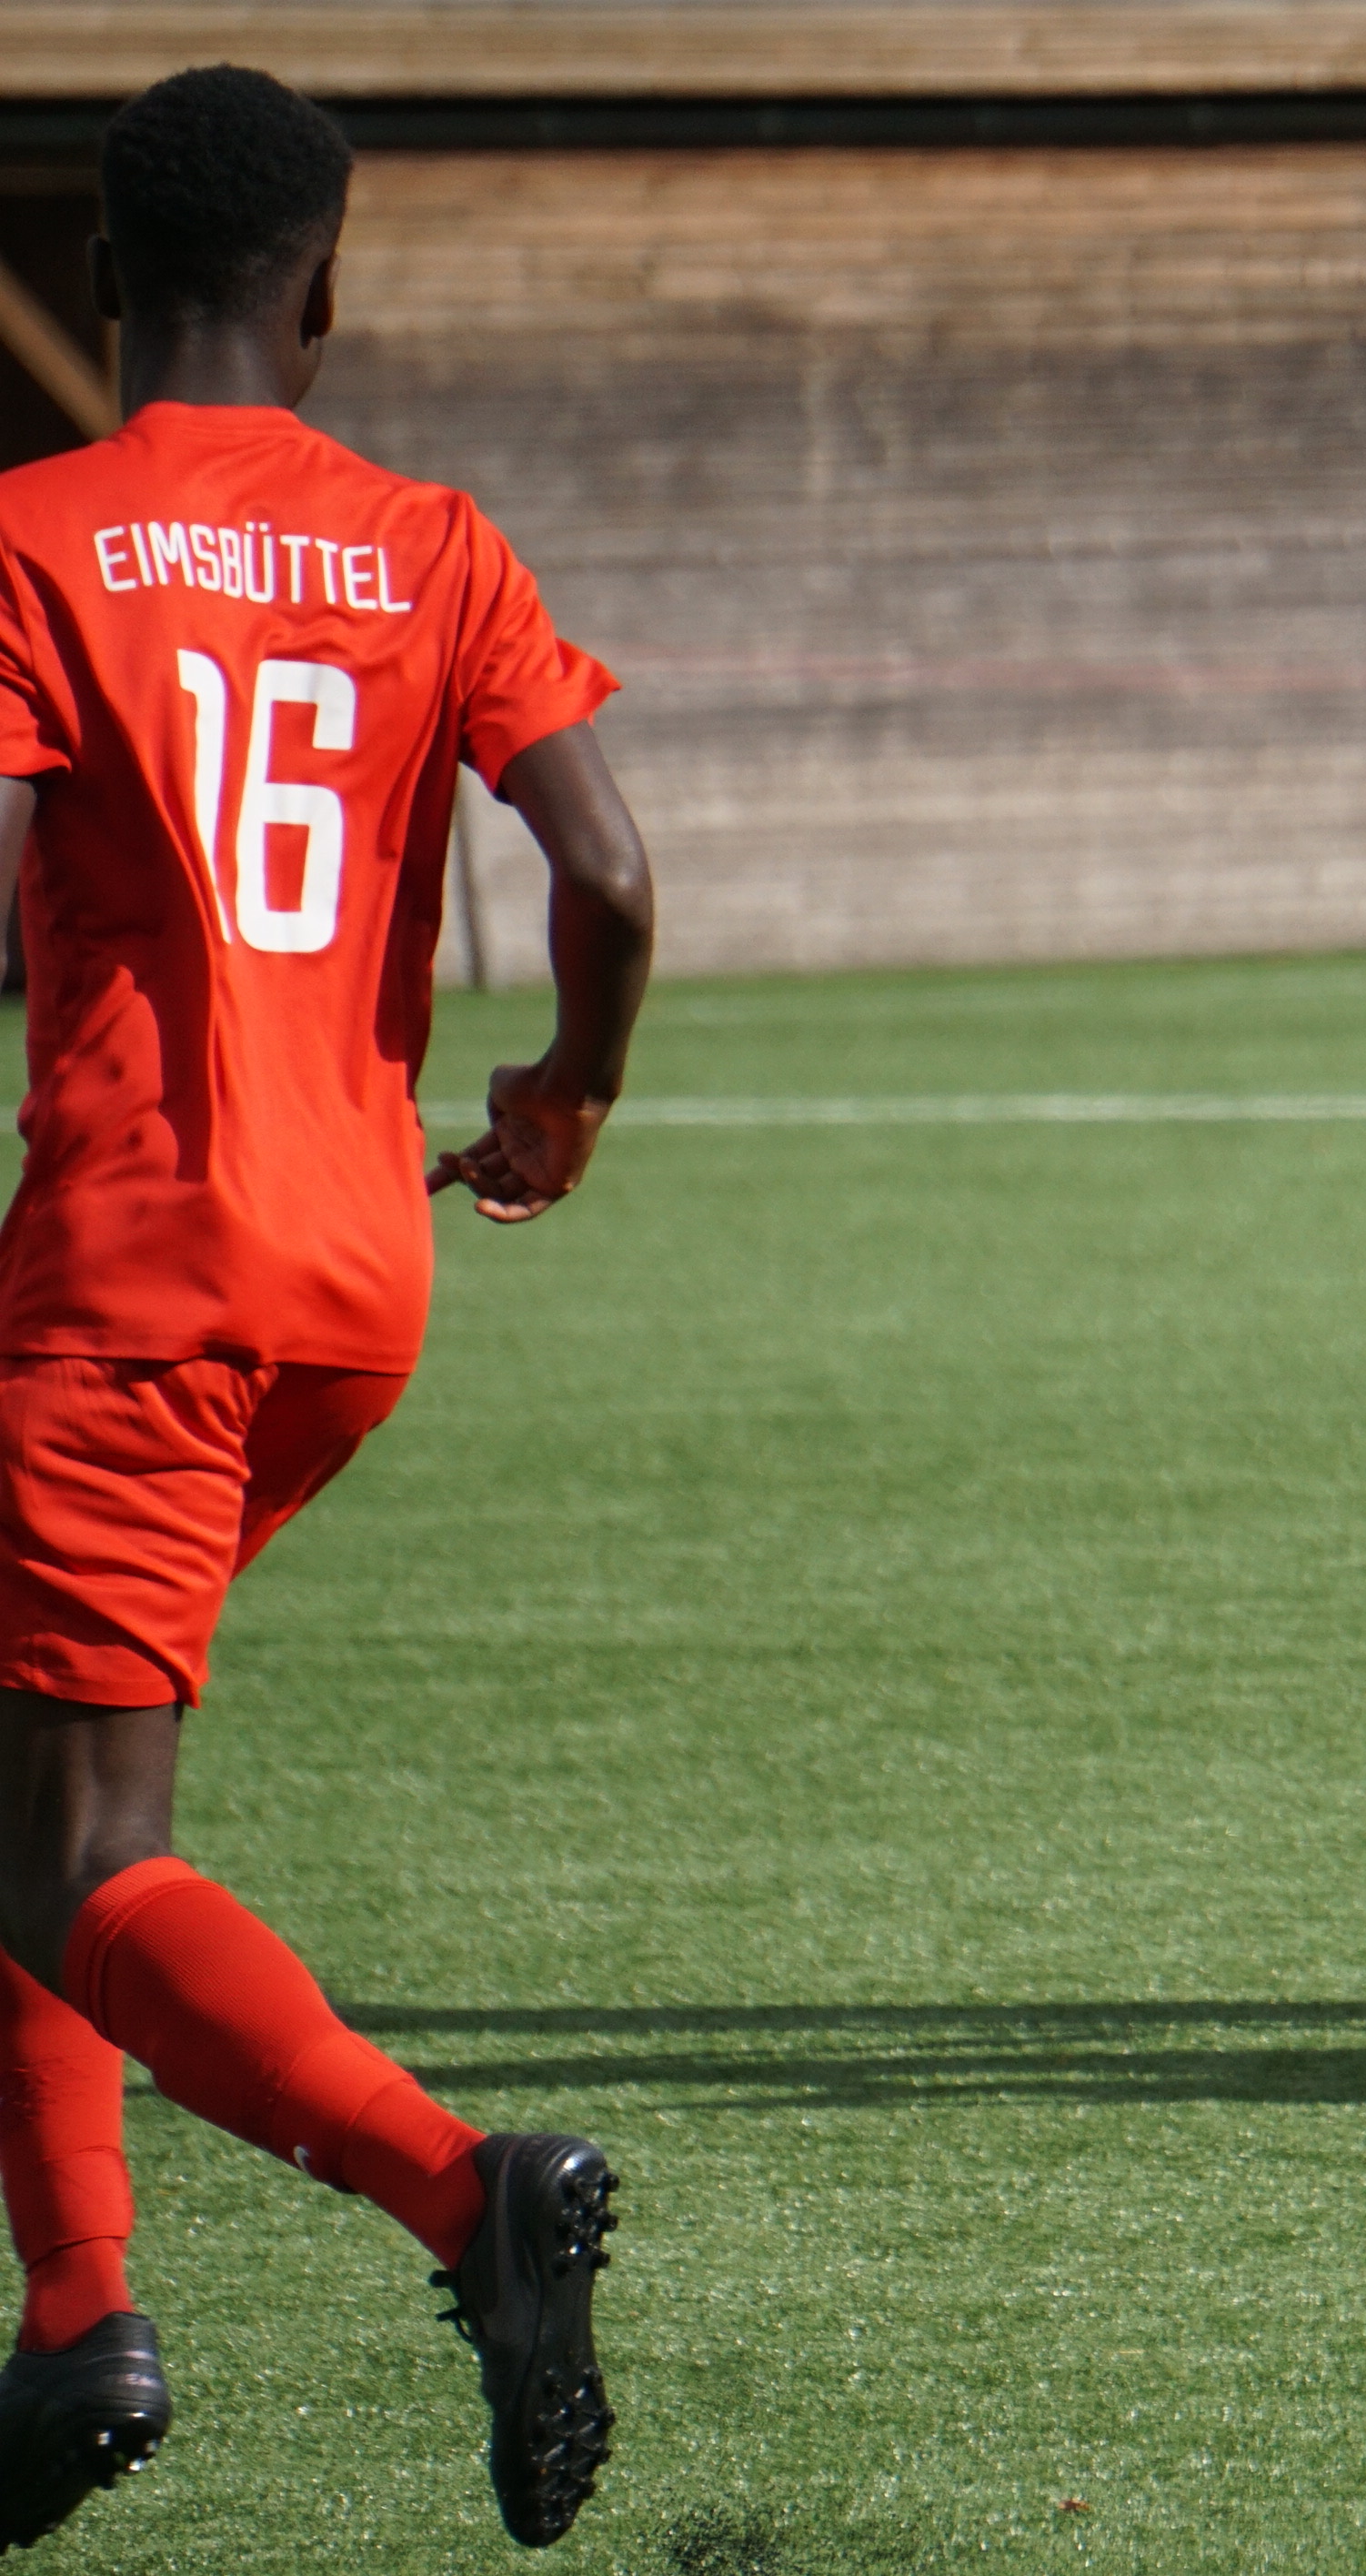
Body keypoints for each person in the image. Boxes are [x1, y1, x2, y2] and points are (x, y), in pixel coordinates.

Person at [0, 67, 650, 2546]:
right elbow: (610, 865)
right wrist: (569, 1092)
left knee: (83, 1852)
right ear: (330, 282)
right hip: (353, 1280)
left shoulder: (32, 538)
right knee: (14, 1789)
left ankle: (450, 2193)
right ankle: (70, 2339)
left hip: (127, 1275)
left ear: (96, 289)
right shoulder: (430, 545)